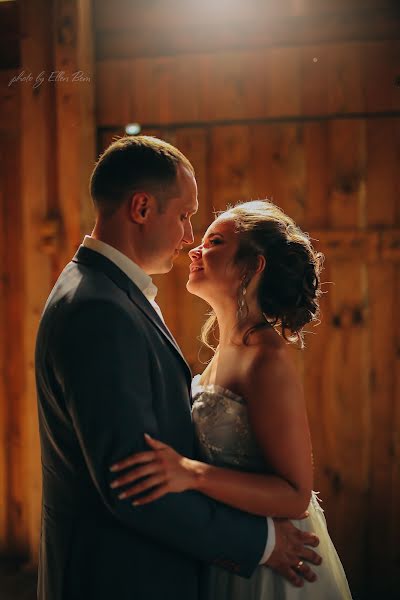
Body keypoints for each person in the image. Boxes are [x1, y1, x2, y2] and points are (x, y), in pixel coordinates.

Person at [35, 137, 321, 600]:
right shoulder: (100, 308)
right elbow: (133, 484)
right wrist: (262, 543)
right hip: (119, 576)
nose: (189, 237)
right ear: (142, 208)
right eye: (186, 216)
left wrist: (194, 475)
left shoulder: (108, 293)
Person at [109, 199, 353, 599]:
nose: (195, 249)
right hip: (233, 546)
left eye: (215, 241)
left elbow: (294, 495)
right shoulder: (226, 350)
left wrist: (190, 472)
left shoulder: (267, 360)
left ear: (252, 265)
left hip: (277, 566)